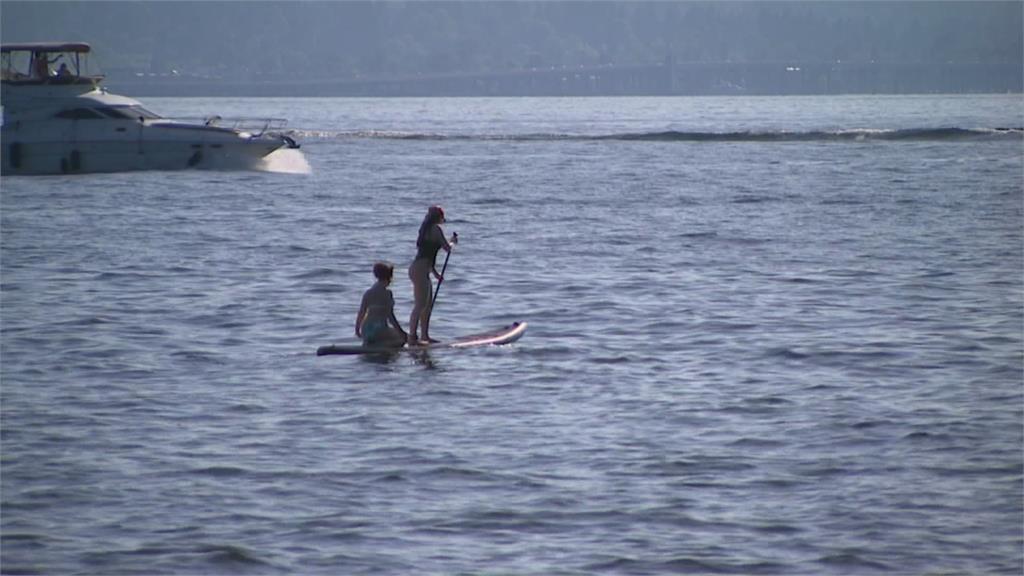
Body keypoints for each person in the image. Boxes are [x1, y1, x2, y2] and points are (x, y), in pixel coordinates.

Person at [408, 205, 456, 345]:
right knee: (420, 304)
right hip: (420, 270)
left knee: (427, 305)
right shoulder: (435, 229)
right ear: (438, 217)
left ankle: (424, 336)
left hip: (421, 269)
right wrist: (453, 242)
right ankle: (412, 337)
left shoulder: (425, 230)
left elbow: (428, 257)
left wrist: (436, 274)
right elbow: (447, 248)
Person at [355, 261, 407, 349]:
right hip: (379, 330)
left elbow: (361, 312)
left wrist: (357, 329)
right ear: (389, 278)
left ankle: (370, 342)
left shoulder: (368, 293)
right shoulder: (387, 294)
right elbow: (390, 317)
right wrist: (401, 332)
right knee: (403, 339)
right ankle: (383, 345)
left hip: (366, 329)